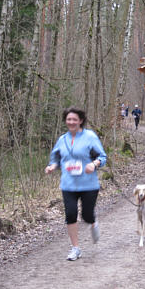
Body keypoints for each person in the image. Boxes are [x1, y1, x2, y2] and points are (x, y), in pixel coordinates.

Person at [45, 106, 107, 261]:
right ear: (65, 121)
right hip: (68, 185)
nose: (71, 122)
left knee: (86, 215)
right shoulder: (62, 139)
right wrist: (52, 166)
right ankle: (75, 248)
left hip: (89, 184)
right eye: (68, 119)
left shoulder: (90, 137)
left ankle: (92, 222)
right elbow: (56, 158)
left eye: (74, 119)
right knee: (71, 215)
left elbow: (102, 156)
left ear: (80, 121)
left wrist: (94, 164)